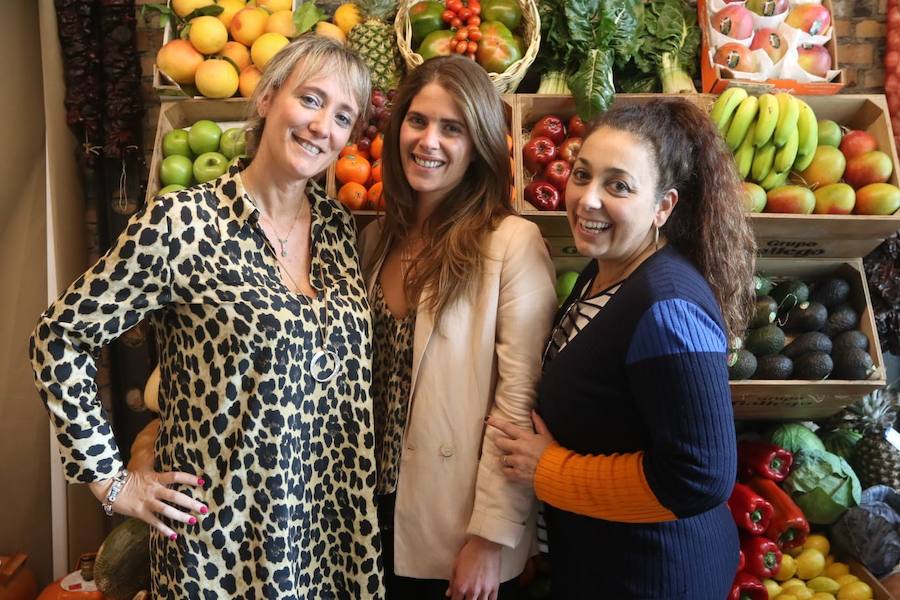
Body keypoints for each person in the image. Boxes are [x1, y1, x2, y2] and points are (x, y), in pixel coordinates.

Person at [29, 34, 384, 599]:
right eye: (311, 100)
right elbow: (59, 336)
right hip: (221, 544)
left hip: (327, 532)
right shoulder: (182, 223)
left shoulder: (339, 230)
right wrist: (111, 481)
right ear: (267, 98)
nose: (324, 127)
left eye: (343, 116)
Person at [488, 98, 757, 599]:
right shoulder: (607, 270)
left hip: (656, 576)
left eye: (618, 186)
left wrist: (549, 470)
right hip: (606, 561)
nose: (588, 199)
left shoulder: (668, 306)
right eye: (582, 174)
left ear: (663, 207)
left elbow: (700, 478)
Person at [358, 54, 557, 600]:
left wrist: (490, 537)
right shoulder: (376, 241)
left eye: (453, 128)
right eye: (418, 121)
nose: (429, 141)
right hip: (368, 513)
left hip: (454, 521)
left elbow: (519, 401)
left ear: (479, 144)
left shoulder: (510, 242)